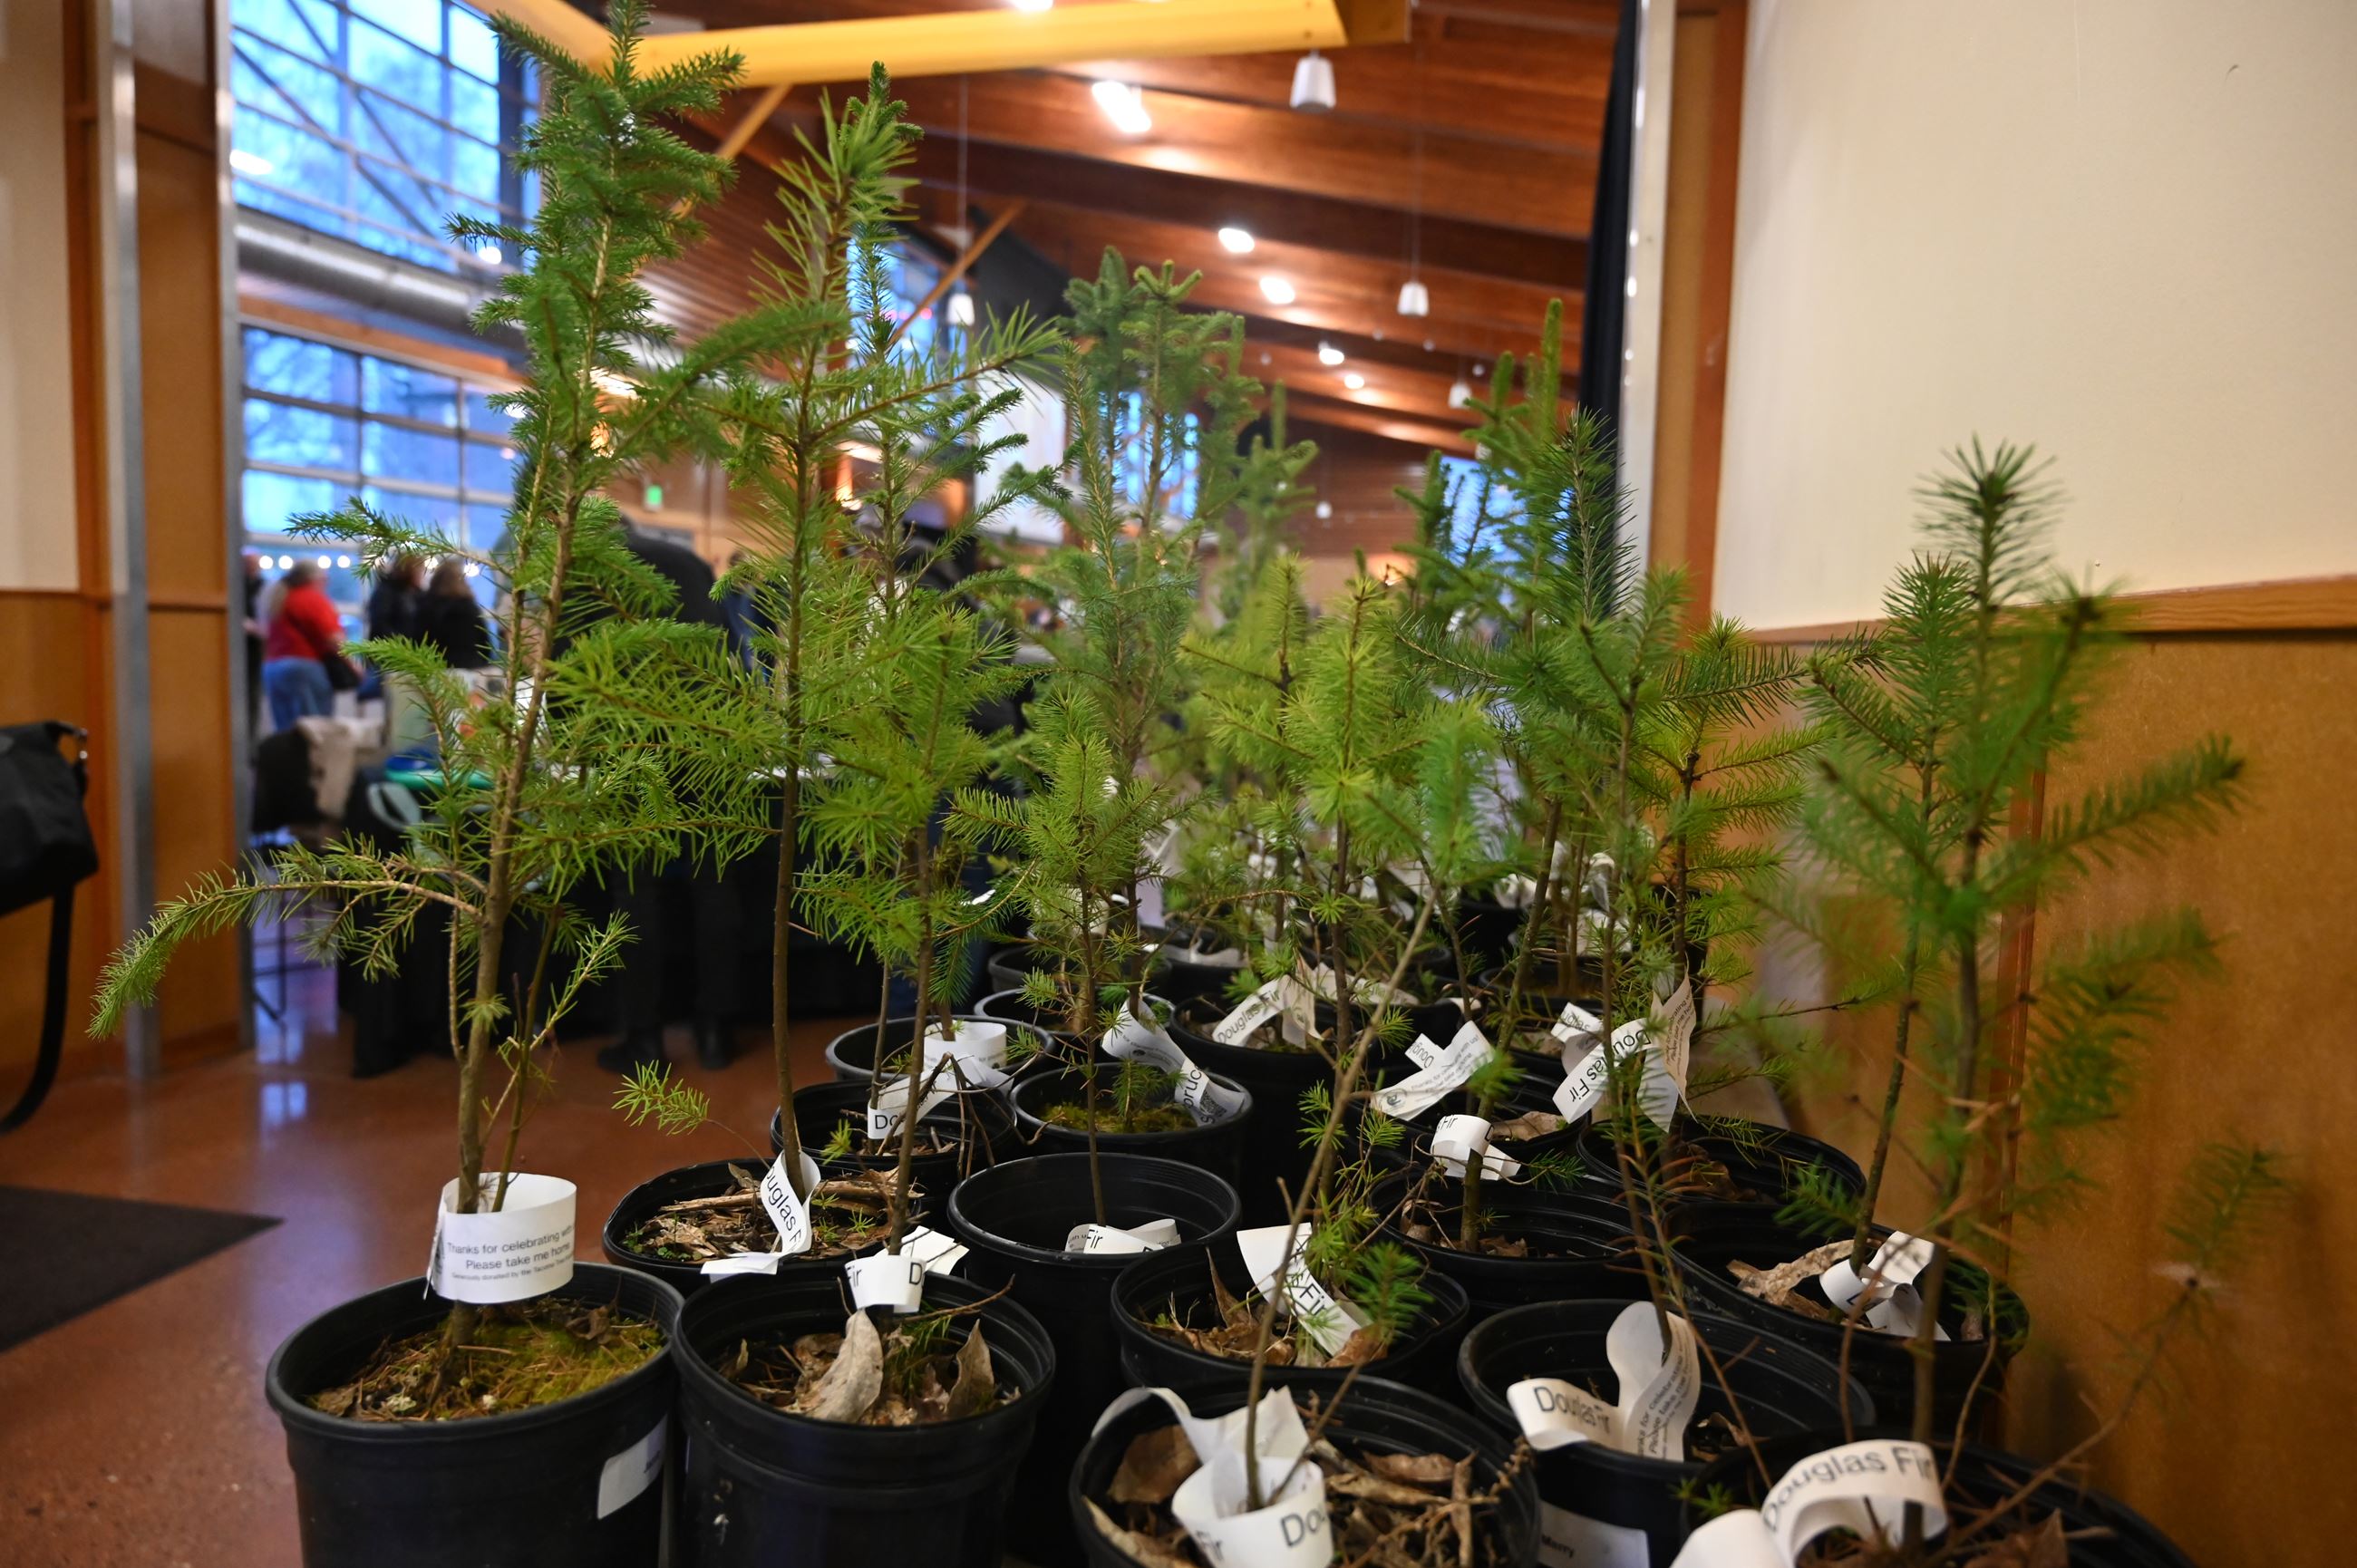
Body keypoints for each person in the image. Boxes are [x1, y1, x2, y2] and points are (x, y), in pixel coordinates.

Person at [260, 560, 348, 731]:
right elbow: (333, 638)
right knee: (313, 729)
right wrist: (352, 664)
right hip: (303, 667)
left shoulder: (280, 599)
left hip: (273, 668)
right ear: (315, 579)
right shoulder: (312, 599)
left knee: (285, 728)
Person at [413, 558, 493, 669]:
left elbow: (418, 640)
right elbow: (485, 643)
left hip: (436, 668)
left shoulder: (427, 606)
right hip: (471, 667)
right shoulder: (470, 607)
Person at [365, 552, 424, 644]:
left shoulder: (418, 594)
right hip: (389, 650)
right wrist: (403, 643)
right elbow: (380, 626)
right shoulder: (385, 592)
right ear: (409, 570)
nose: (422, 575)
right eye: (419, 570)